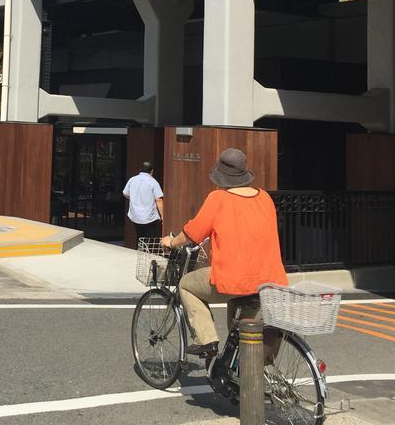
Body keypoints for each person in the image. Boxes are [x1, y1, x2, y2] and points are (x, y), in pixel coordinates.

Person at [161, 148, 287, 358]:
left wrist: (171, 242)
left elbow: (193, 233)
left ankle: (206, 341)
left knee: (186, 285)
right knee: (240, 336)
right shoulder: (265, 198)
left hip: (233, 280)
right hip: (267, 280)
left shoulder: (218, 198)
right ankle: (241, 376)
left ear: (221, 176)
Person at [123, 161, 164, 241]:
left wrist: (134, 199)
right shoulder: (153, 182)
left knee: (139, 238)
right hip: (149, 217)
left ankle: (139, 251)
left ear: (140, 170)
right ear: (152, 171)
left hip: (135, 216)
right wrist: (163, 216)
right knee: (149, 241)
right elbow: (159, 200)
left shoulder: (132, 180)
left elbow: (125, 193)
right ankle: (146, 253)